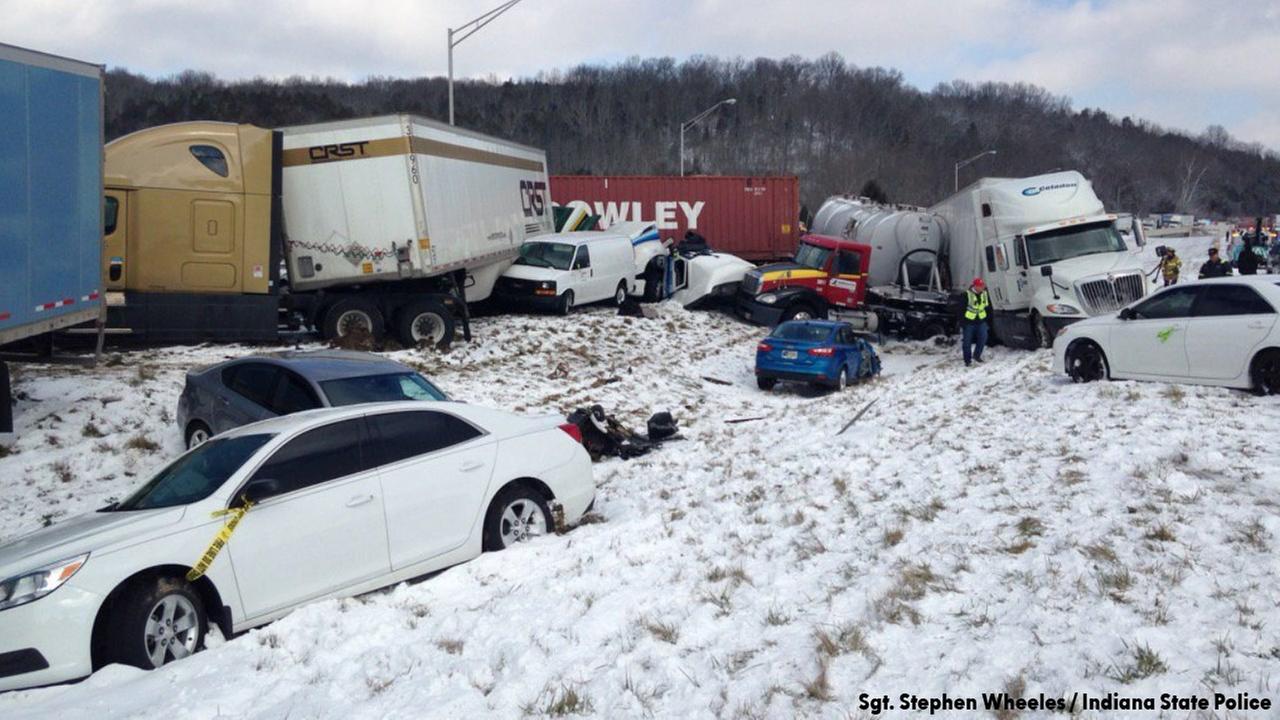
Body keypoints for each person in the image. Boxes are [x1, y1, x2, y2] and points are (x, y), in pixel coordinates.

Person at [961, 278, 990, 367]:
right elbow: (960, 310)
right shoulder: (966, 295)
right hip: (969, 323)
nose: (982, 288)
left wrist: (987, 321)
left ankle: (977, 356)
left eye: (983, 286)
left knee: (983, 339)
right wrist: (963, 323)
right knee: (967, 342)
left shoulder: (984, 294)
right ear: (975, 286)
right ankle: (967, 361)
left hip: (981, 321)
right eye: (981, 286)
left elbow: (987, 308)